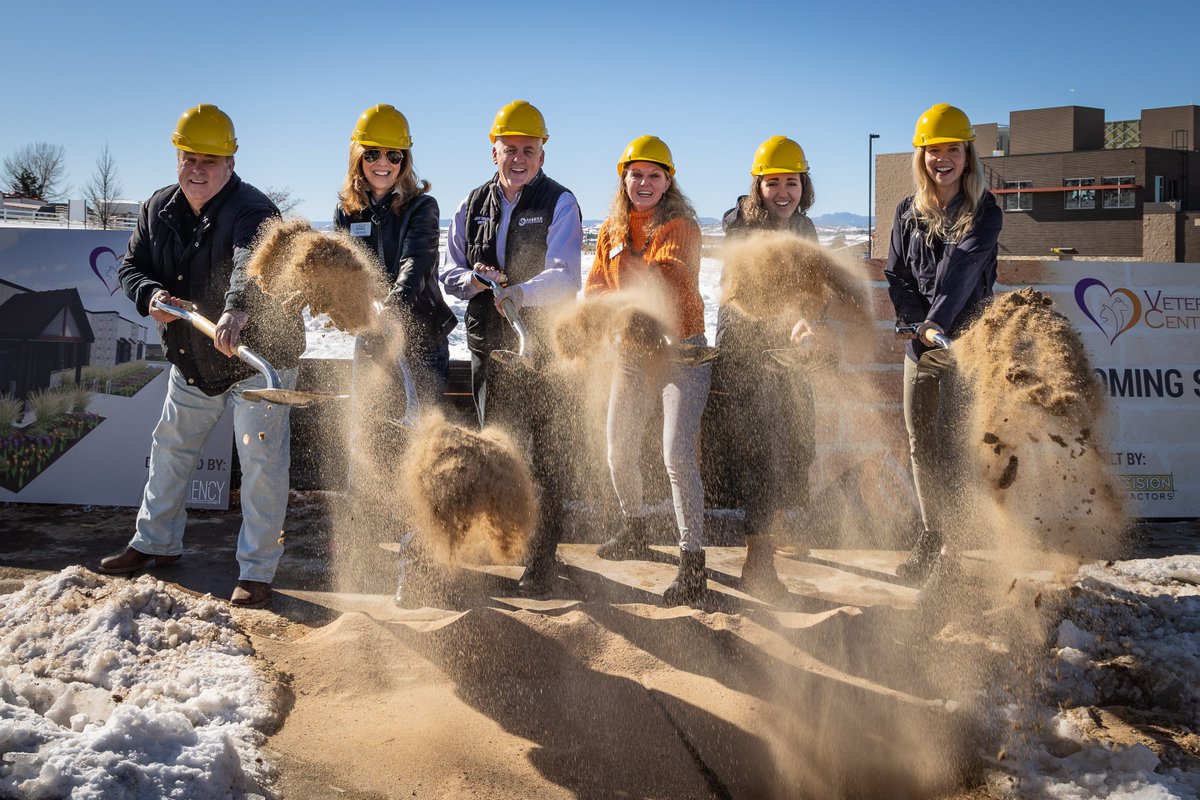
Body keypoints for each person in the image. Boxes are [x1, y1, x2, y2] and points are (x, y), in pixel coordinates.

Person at [98, 104, 306, 609]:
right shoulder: (157, 208)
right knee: (170, 449)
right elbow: (132, 264)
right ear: (177, 158)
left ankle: (257, 571)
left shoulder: (255, 210)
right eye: (189, 157)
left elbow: (248, 266)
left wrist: (236, 311)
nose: (197, 169)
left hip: (258, 360)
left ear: (230, 164)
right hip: (194, 357)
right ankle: (155, 542)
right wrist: (149, 294)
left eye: (209, 161)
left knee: (261, 465)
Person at [441, 100, 583, 595]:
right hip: (486, 346)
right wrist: (476, 280)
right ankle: (512, 540)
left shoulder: (560, 202)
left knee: (543, 450)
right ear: (493, 151)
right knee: (499, 443)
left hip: (539, 347)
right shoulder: (470, 203)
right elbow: (449, 273)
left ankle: (543, 556)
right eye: (510, 150)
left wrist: (521, 292)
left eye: (529, 150)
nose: (519, 158)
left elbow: (566, 277)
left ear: (542, 154)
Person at [585, 136, 711, 606]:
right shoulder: (611, 232)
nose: (644, 183)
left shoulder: (680, 225)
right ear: (624, 178)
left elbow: (668, 270)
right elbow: (595, 288)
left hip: (683, 351)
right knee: (618, 448)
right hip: (633, 353)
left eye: (654, 175)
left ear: (668, 181)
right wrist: (609, 315)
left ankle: (692, 563)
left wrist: (635, 304)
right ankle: (635, 526)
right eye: (636, 174)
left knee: (676, 455)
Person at [883, 103, 1002, 587]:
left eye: (952, 149)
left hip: (968, 344)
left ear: (967, 155)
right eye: (934, 151)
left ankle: (953, 553)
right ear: (922, 157)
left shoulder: (985, 211)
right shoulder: (906, 212)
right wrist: (916, 323)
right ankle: (933, 537)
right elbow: (896, 274)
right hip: (922, 345)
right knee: (920, 445)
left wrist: (935, 322)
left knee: (955, 447)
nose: (942, 159)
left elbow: (960, 274)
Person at [713, 135, 818, 600]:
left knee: (798, 446)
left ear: (803, 184)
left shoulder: (806, 230)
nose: (782, 192)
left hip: (788, 357)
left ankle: (774, 534)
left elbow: (808, 289)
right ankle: (758, 563)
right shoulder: (743, 225)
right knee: (764, 458)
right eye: (771, 182)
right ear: (757, 186)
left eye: (790, 183)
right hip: (746, 355)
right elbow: (757, 285)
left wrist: (806, 322)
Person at [334, 104, 456, 417]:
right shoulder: (346, 213)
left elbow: (416, 261)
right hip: (372, 338)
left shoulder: (422, 207)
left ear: (405, 160)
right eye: (373, 153)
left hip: (422, 339)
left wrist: (394, 305)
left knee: (420, 434)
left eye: (394, 155)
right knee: (371, 431)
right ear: (358, 156)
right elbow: (342, 271)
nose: (383, 163)